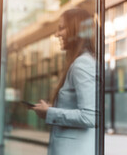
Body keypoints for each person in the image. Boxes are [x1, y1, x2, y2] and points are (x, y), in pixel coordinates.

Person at [32, 8, 96, 155]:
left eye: (61, 28)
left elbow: (90, 116)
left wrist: (50, 112)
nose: (56, 34)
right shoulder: (81, 62)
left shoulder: (82, 64)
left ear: (75, 29)